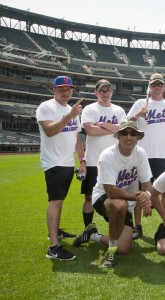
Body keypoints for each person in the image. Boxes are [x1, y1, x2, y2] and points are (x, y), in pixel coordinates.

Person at [73, 120, 153, 267]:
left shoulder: (140, 153)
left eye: (133, 134)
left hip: (126, 200)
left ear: (137, 138)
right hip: (104, 198)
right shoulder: (108, 155)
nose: (129, 137)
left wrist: (147, 198)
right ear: (118, 136)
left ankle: (92, 235)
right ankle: (110, 251)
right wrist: (138, 196)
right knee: (119, 204)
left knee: (124, 248)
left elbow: (147, 183)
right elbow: (111, 191)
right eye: (124, 133)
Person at [36, 75, 85, 260]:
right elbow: (50, 131)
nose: (65, 92)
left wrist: (82, 160)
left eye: (68, 89)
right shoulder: (47, 107)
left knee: (60, 200)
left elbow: (76, 137)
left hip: (67, 162)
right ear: (53, 90)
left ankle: (55, 231)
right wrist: (70, 116)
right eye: (61, 89)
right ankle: (53, 247)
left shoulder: (70, 109)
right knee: (55, 201)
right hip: (53, 162)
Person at [127, 73, 165, 239]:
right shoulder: (140, 103)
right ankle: (138, 226)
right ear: (149, 86)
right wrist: (138, 115)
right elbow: (126, 124)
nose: (157, 87)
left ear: (164, 86)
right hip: (142, 154)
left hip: (163, 154)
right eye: (154, 84)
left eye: (160, 84)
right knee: (138, 190)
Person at [77, 79, 126, 235]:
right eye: (102, 91)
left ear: (111, 92)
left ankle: (118, 227)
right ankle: (88, 228)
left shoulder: (118, 110)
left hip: (115, 161)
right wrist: (114, 129)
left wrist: (102, 125)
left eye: (108, 90)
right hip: (93, 160)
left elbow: (123, 131)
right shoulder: (90, 109)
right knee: (89, 197)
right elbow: (90, 131)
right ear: (96, 92)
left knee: (116, 195)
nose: (105, 94)